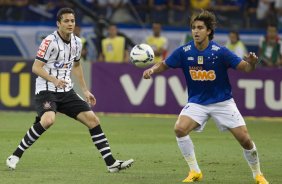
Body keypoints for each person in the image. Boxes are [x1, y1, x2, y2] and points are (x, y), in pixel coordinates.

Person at [143, 10, 269, 184]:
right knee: (180, 129)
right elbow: (165, 64)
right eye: (193, 27)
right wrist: (152, 70)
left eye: (200, 28)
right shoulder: (184, 51)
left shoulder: (220, 52)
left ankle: (258, 175)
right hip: (197, 103)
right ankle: (194, 171)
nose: (195, 31)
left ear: (209, 31)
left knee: (245, 140)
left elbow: (245, 68)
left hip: (223, 102)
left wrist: (252, 64)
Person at [6, 7, 134, 172]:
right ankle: (15, 155)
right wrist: (54, 80)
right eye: (66, 21)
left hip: (66, 91)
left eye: (72, 21)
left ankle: (111, 163)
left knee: (93, 120)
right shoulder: (49, 42)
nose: (70, 24)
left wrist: (85, 90)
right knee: (48, 120)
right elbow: (36, 68)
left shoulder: (77, 42)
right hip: (46, 89)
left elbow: (77, 65)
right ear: (58, 23)